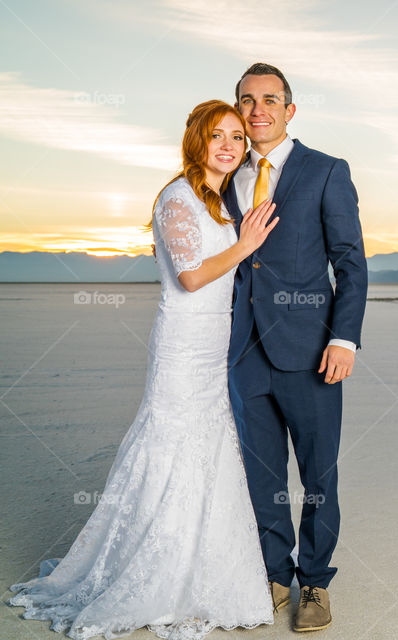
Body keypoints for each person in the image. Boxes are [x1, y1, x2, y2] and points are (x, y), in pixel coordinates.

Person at [8, 100, 279, 640]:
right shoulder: (178, 198)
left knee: (209, 449)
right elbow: (191, 277)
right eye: (216, 135)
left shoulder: (219, 202)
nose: (228, 144)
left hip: (213, 346)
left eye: (235, 136)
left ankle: (207, 574)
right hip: (182, 346)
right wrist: (246, 245)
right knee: (170, 446)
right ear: (195, 141)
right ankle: (156, 576)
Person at [226, 62, 367, 632]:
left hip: (310, 350)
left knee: (317, 476)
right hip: (241, 354)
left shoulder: (327, 171)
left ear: (289, 110)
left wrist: (344, 337)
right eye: (246, 99)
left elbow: (350, 263)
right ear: (236, 109)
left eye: (269, 99)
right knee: (262, 477)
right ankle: (274, 574)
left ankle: (314, 582)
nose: (257, 109)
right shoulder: (225, 172)